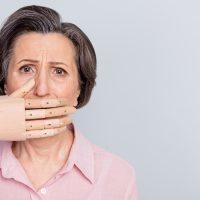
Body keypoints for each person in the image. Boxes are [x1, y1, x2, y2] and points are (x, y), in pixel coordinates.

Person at [0, 5, 138, 200]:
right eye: (26, 69)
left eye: (59, 71)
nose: (41, 90)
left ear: (78, 90)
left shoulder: (118, 176)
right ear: (5, 84)